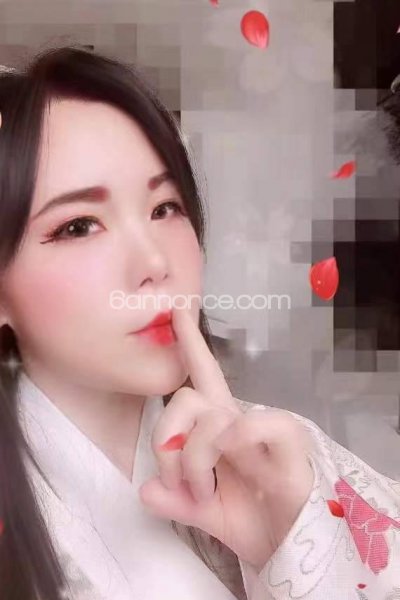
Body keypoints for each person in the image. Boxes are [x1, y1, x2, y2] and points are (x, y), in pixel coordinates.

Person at [0, 45, 398, 600]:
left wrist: (293, 547)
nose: (155, 262)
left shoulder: (282, 457)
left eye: (164, 207)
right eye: (79, 226)